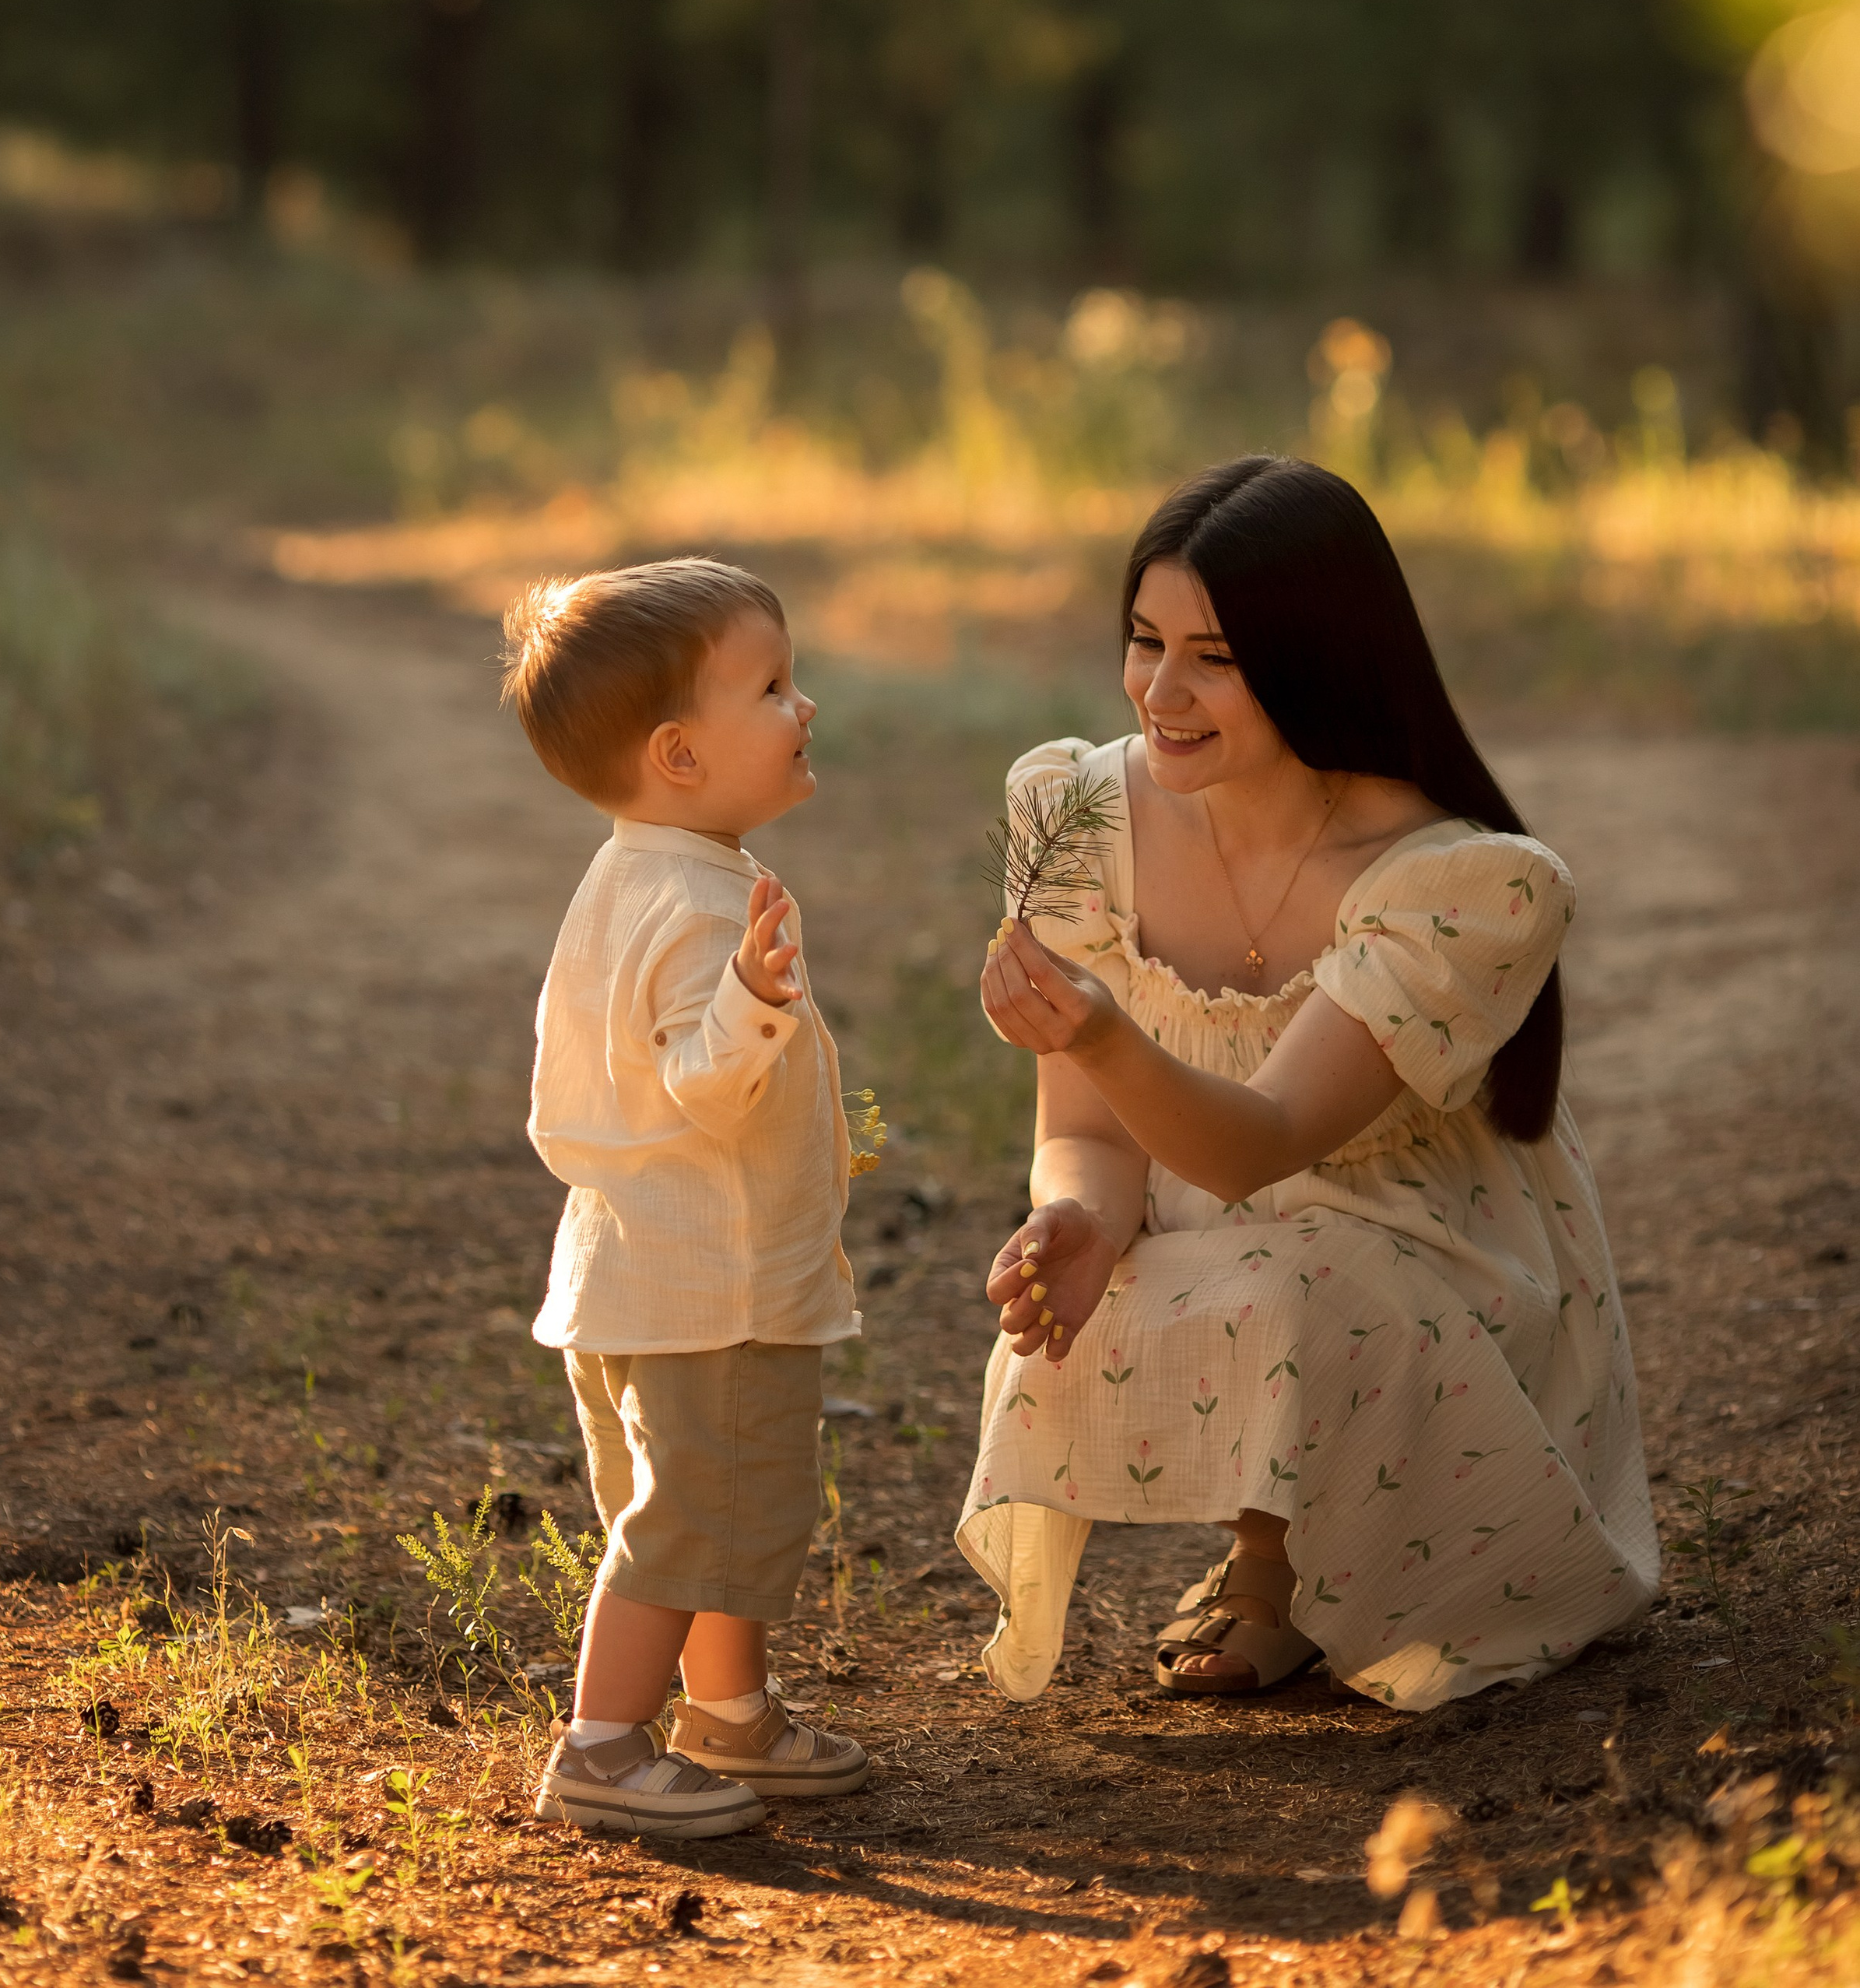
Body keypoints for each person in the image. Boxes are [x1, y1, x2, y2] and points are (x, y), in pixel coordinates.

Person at [958, 456, 1658, 1712]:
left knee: (1300, 1270)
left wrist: (1109, 1035)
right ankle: (1269, 1548)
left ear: (1319, 659)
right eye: (1143, 640)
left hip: (1414, 1250)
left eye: (1214, 657)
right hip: (1226, 1227)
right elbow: (1090, 1135)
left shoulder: (1455, 877)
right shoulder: (1076, 813)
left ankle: (1283, 1568)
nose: (1161, 692)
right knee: (1086, 1283)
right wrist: (1076, 1212)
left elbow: (1263, 1143)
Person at [505, 556, 870, 1838]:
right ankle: (602, 1743)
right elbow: (707, 1087)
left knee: (705, 1512)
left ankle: (727, 1712)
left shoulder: (627, 877)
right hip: (712, 1288)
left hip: (631, 1270)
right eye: (771, 686)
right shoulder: (705, 907)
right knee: (696, 1521)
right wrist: (757, 1005)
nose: (803, 705)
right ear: (678, 753)